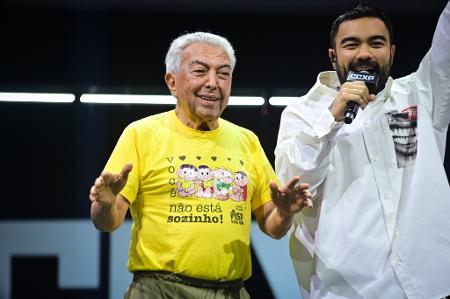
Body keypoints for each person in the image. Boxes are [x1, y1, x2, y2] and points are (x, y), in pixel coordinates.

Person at [89, 31, 312, 299]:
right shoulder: (140, 134)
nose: (212, 83)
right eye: (200, 71)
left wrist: (285, 211)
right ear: (172, 81)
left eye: (223, 73)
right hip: (159, 290)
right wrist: (104, 204)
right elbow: (108, 223)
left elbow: (273, 227)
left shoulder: (246, 141)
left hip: (231, 291)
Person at [275, 2, 450, 299]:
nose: (365, 53)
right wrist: (330, 119)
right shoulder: (303, 114)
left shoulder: (422, 94)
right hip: (343, 291)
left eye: (376, 43)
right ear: (333, 56)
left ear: (392, 52)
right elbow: (293, 186)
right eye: (351, 44)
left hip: (426, 287)